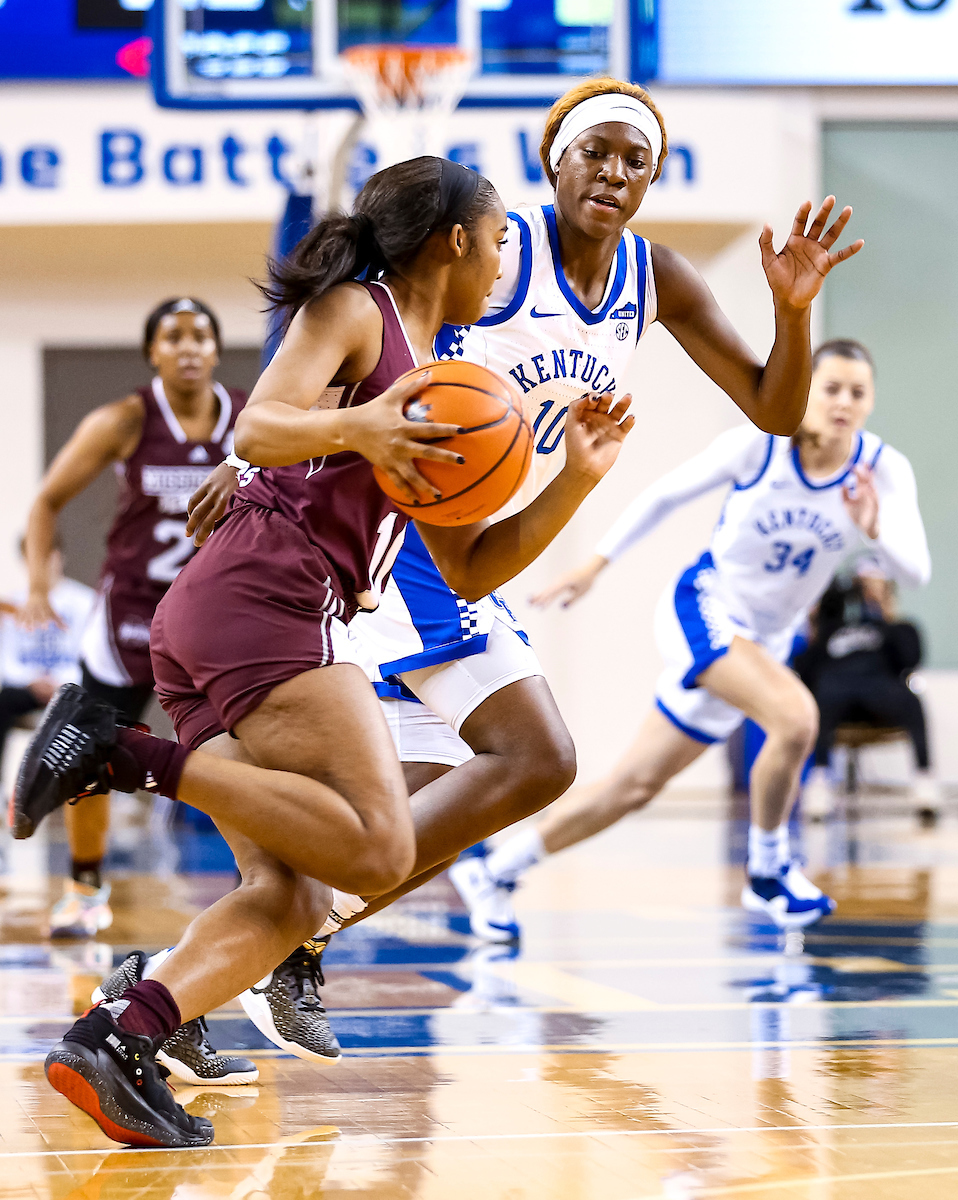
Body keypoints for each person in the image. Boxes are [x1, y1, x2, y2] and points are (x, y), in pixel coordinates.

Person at [182, 77, 864, 1052]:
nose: (615, 173)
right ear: (557, 160)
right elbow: (371, 333)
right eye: (599, 152)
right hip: (414, 529)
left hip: (471, 536)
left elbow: (774, 408)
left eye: (637, 159)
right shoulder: (502, 253)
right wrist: (251, 452)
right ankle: (276, 934)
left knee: (426, 798)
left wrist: (793, 312)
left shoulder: (656, 277)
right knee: (535, 756)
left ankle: (225, 958)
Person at [18, 156, 635, 1149]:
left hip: (232, 617)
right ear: (458, 239)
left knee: (293, 894)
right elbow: (258, 422)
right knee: (382, 846)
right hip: (267, 600)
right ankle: (124, 752)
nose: (511, 252)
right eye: (503, 235)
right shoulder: (360, 311)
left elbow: (470, 571)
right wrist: (364, 425)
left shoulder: (448, 368)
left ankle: (116, 1037)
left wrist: (576, 482)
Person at [474, 339, 930, 936]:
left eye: (857, 392)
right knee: (796, 718)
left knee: (633, 786)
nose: (843, 402)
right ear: (807, 391)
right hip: (705, 607)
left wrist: (875, 531)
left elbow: (914, 571)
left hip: (764, 641)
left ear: (870, 402)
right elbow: (666, 495)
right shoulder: (760, 447)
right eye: (831, 388)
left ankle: (499, 868)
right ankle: (768, 872)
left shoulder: (881, 470)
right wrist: (596, 564)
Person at [19, 298, 255, 1087]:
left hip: (210, 618)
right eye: (172, 336)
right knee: (91, 750)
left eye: (202, 335)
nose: (189, 347)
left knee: (239, 764)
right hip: (128, 614)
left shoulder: (248, 419)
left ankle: (252, 901)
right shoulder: (125, 418)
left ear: (216, 351)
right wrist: (40, 584)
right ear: (153, 353)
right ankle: (84, 889)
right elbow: (47, 500)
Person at [796, 558, 938, 818]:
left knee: (912, 699)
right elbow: (806, 671)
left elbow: (910, 659)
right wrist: (814, 626)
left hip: (879, 692)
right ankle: (819, 781)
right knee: (821, 697)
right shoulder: (832, 631)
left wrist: (886, 611)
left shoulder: (894, 628)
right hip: (835, 695)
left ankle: (924, 780)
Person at [0, 541, 93, 782]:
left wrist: (61, 682)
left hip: (71, 688)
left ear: (58, 556)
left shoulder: (85, 601)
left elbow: (90, 659)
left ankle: (87, 791)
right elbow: (8, 660)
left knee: (100, 703)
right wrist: (33, 681)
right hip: (29, 689)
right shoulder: (12, 604)